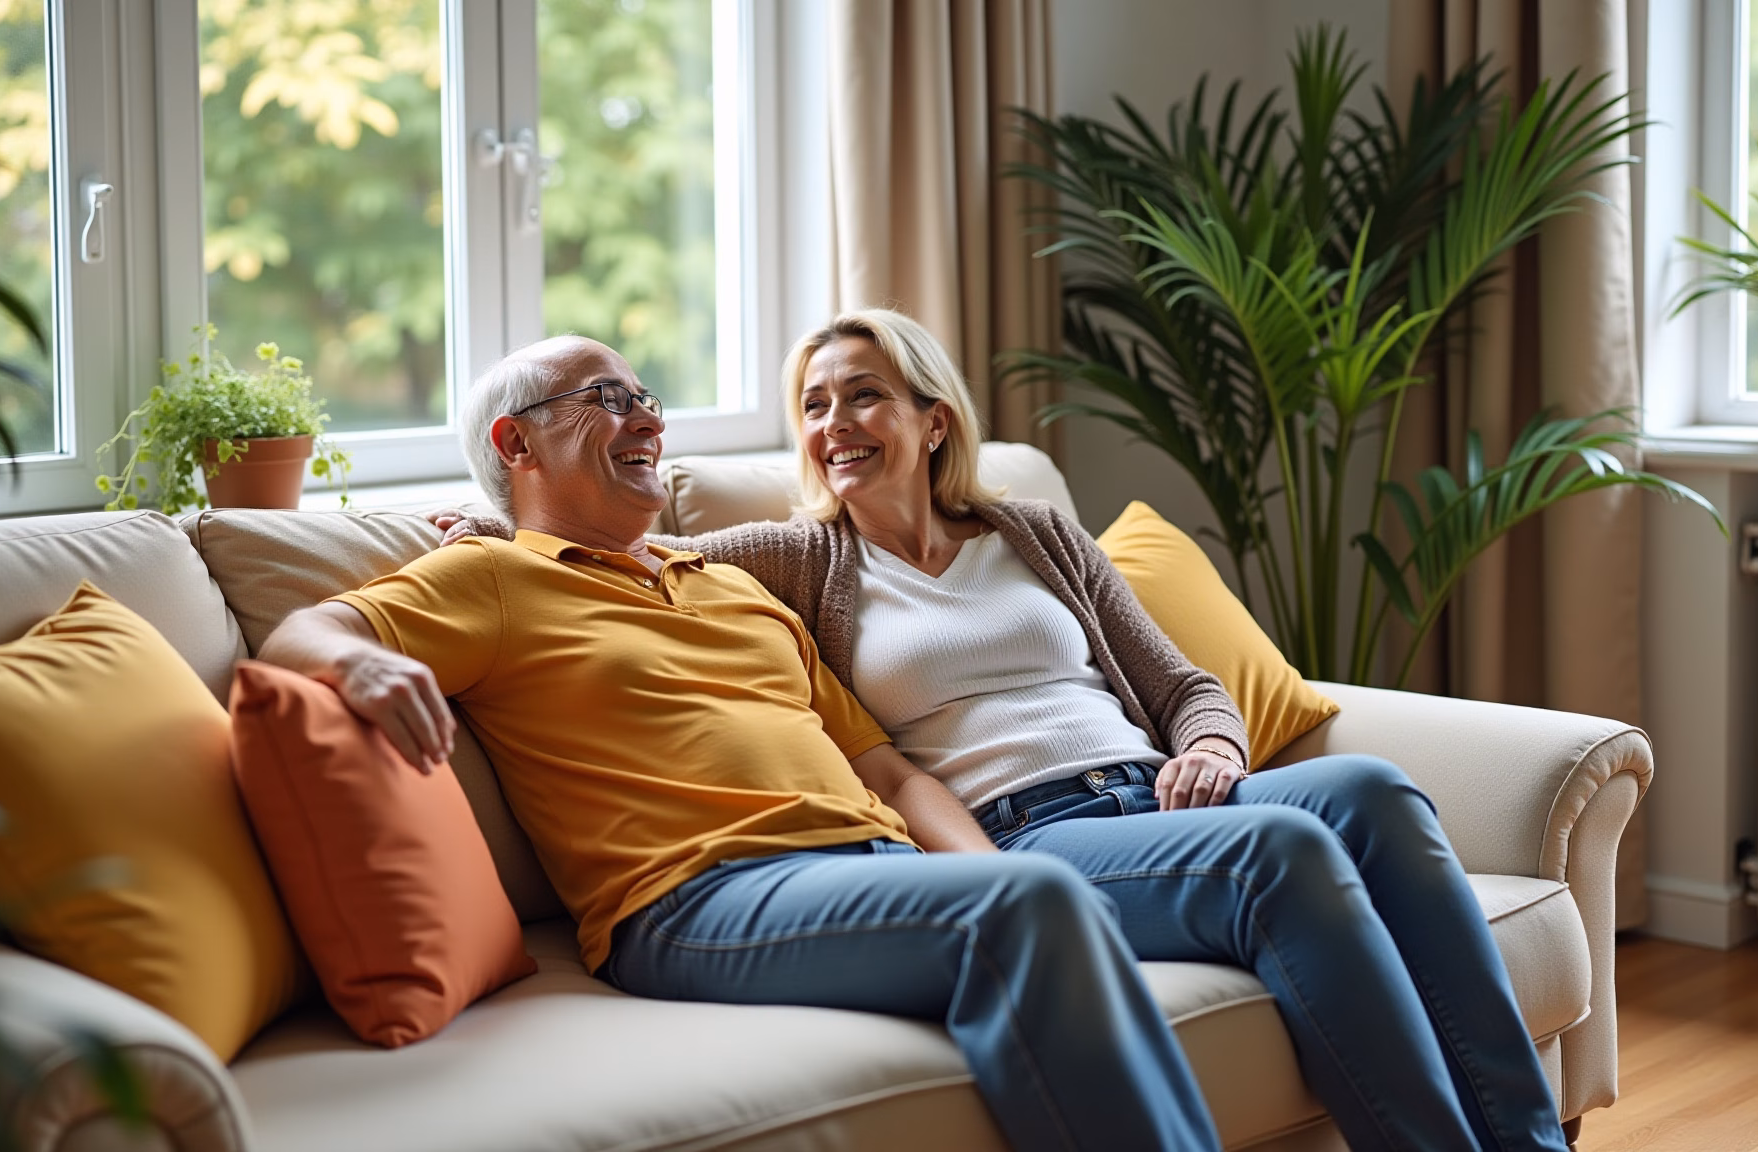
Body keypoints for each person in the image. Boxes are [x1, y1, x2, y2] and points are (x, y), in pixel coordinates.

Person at [439, 310, 1571, 1152]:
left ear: (933, 420)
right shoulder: (787, 558)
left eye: (863, 395)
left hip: (1155, 788)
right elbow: (632, 572)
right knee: (1279, 854)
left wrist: (1216, 745)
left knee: (1371, 791)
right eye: (816, 406)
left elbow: (1179, 684)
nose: (835, 425)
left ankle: (1523, 1143)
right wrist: (477, 522)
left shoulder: (1033, 532)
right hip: (1031, 829)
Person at [262, 334, 1227, 1152]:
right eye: (608, 399)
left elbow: (881, 766)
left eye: (647, 397)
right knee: (1026, 908)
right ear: (516, 444)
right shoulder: (487, 576)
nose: (647, 418)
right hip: (694, 894)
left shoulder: (726, 585)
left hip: (867, 864)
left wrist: (989, 871)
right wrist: (367, 668)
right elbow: (299, 635)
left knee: (1032, 898)